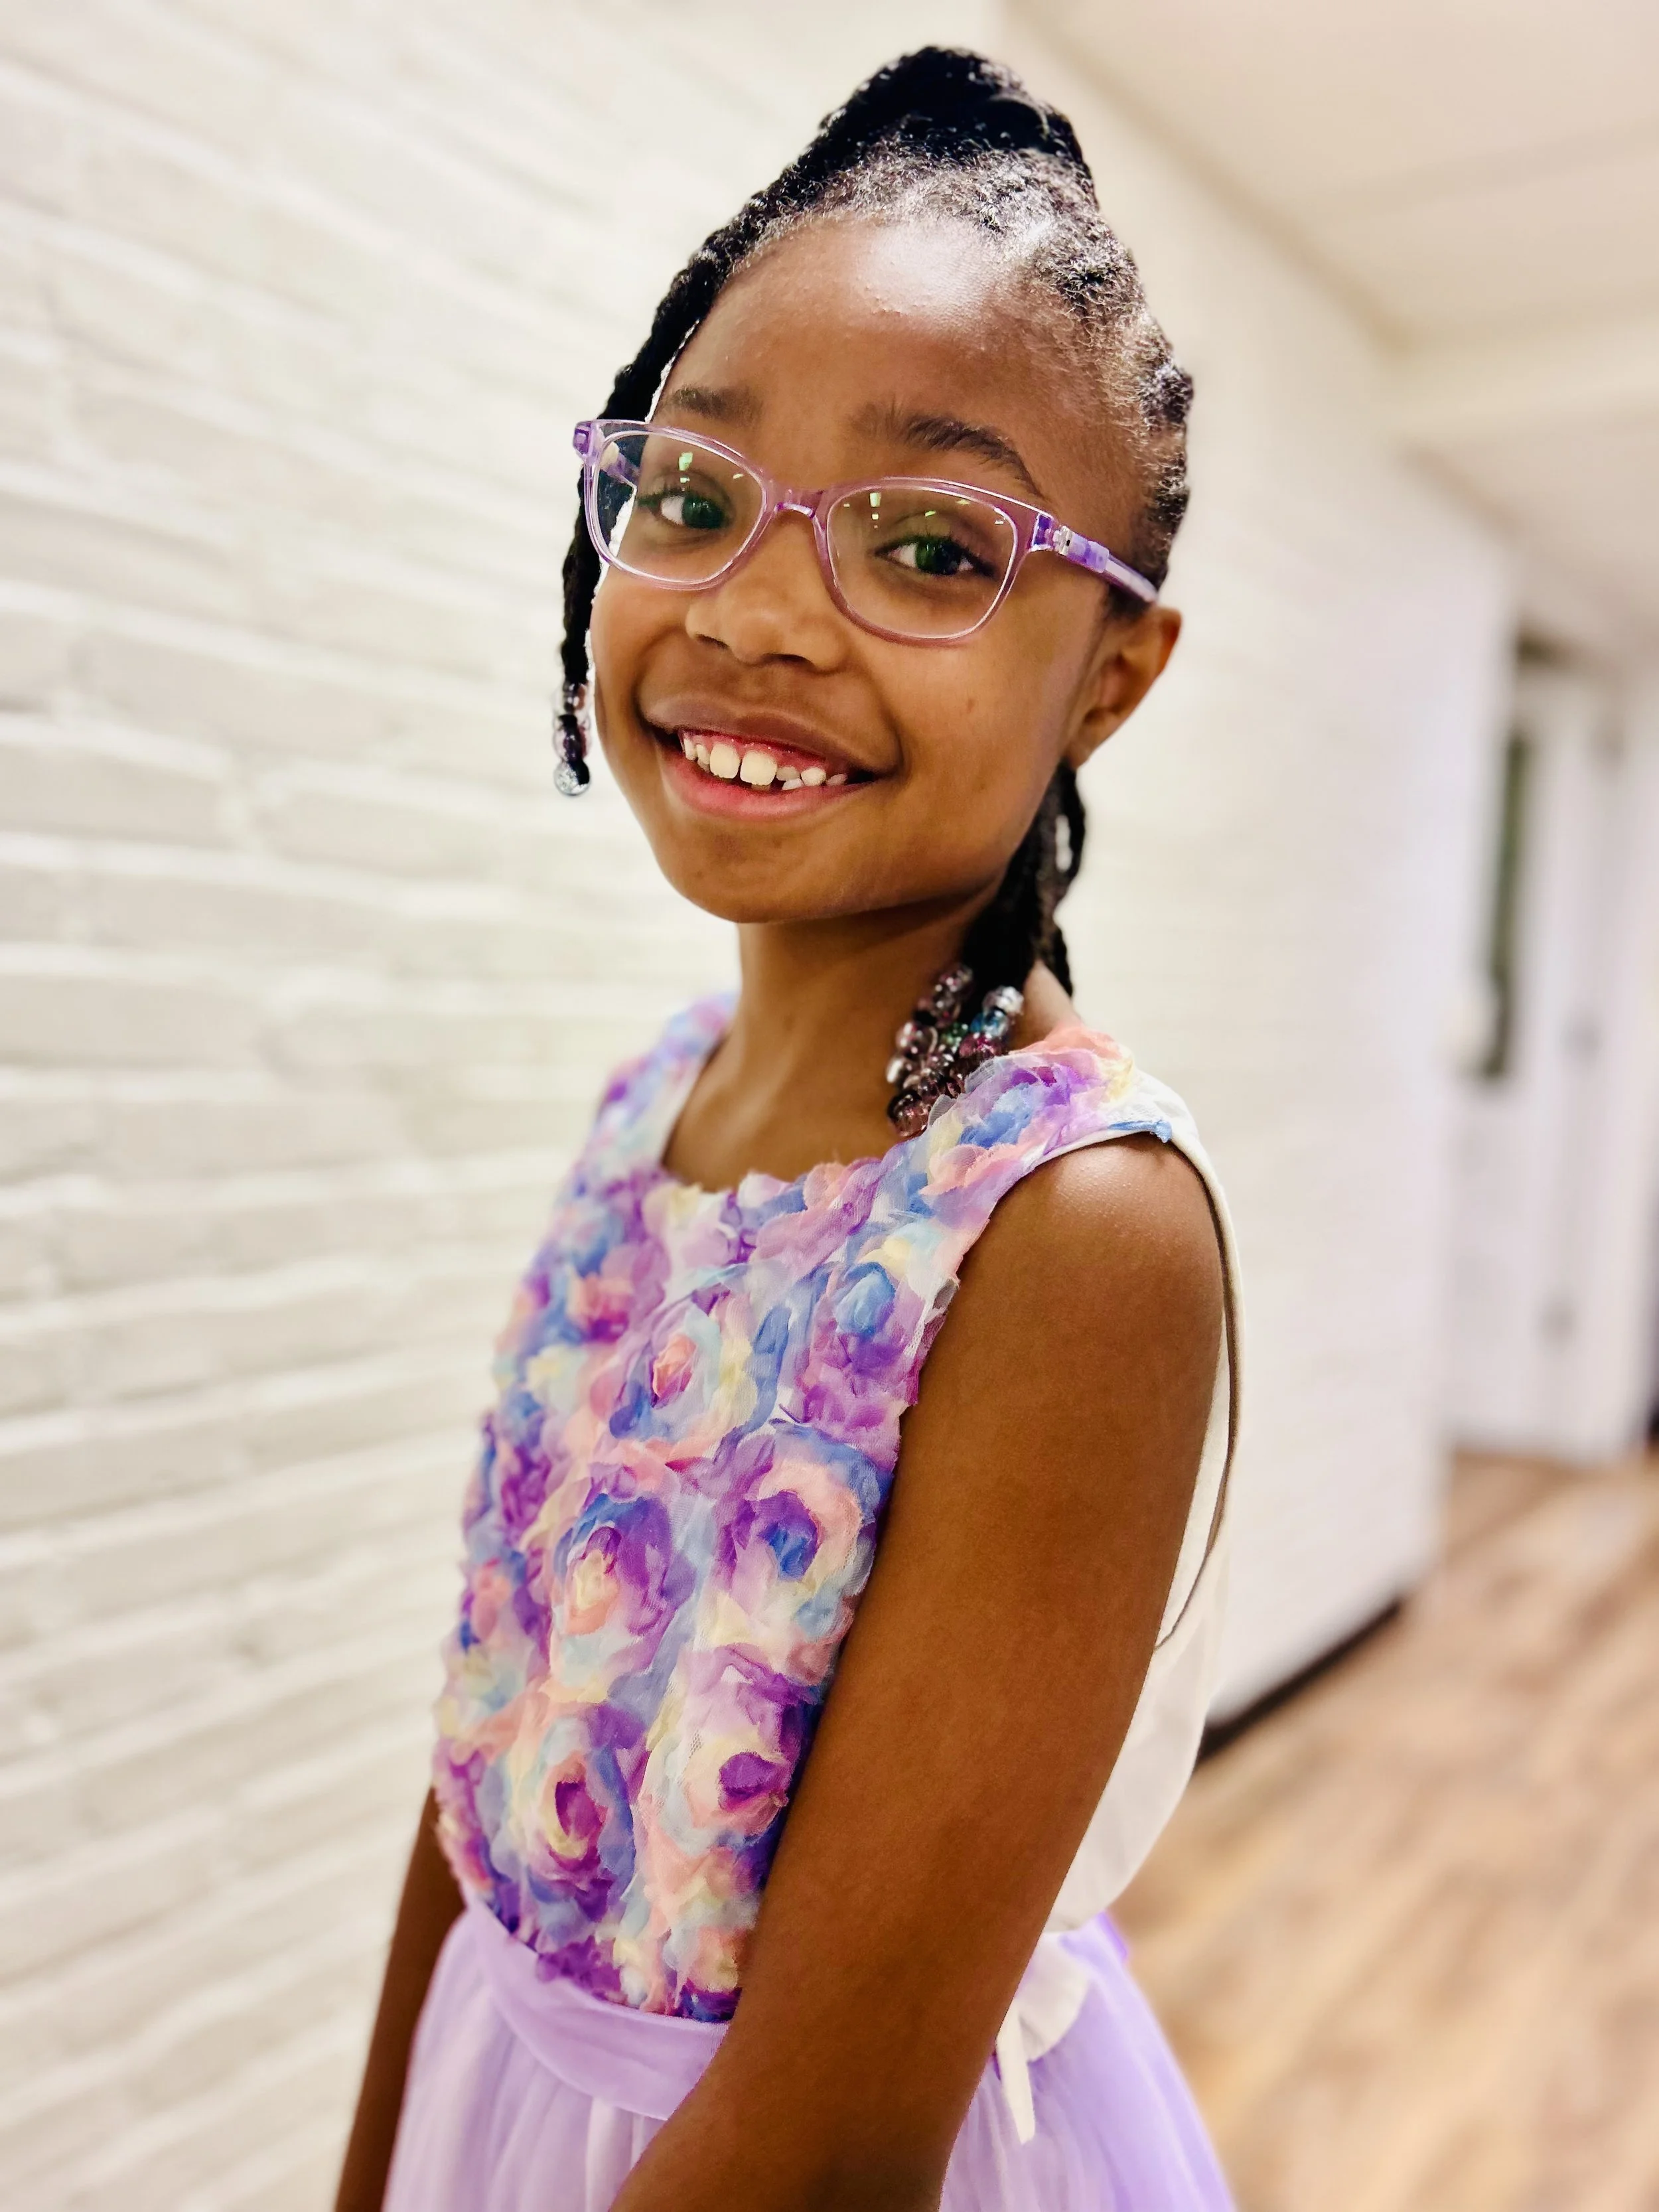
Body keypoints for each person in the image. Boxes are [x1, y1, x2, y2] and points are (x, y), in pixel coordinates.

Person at [336, 45, 1241, 2212]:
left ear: (1108, 675)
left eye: (928, 544)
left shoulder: (1070, 1226)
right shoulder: (653, 1103)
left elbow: (826, 2137)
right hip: (507, 2107)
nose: (749, 607)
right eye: (689, 496)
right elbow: (480, 1771)